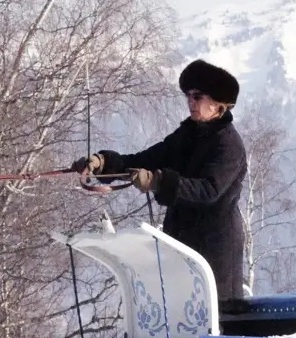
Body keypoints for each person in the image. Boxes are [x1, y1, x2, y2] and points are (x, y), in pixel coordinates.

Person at [74, 59, 248, 302]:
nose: (190, 102)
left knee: (214, 316)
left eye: (197, 96)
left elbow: (208, 190)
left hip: (214, 251)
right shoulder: (186, 135)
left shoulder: (228, 144)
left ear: (218, 103)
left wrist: (158, 182)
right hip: (181, 241)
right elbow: (145, 160)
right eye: (188, 96)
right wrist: (103, 163)